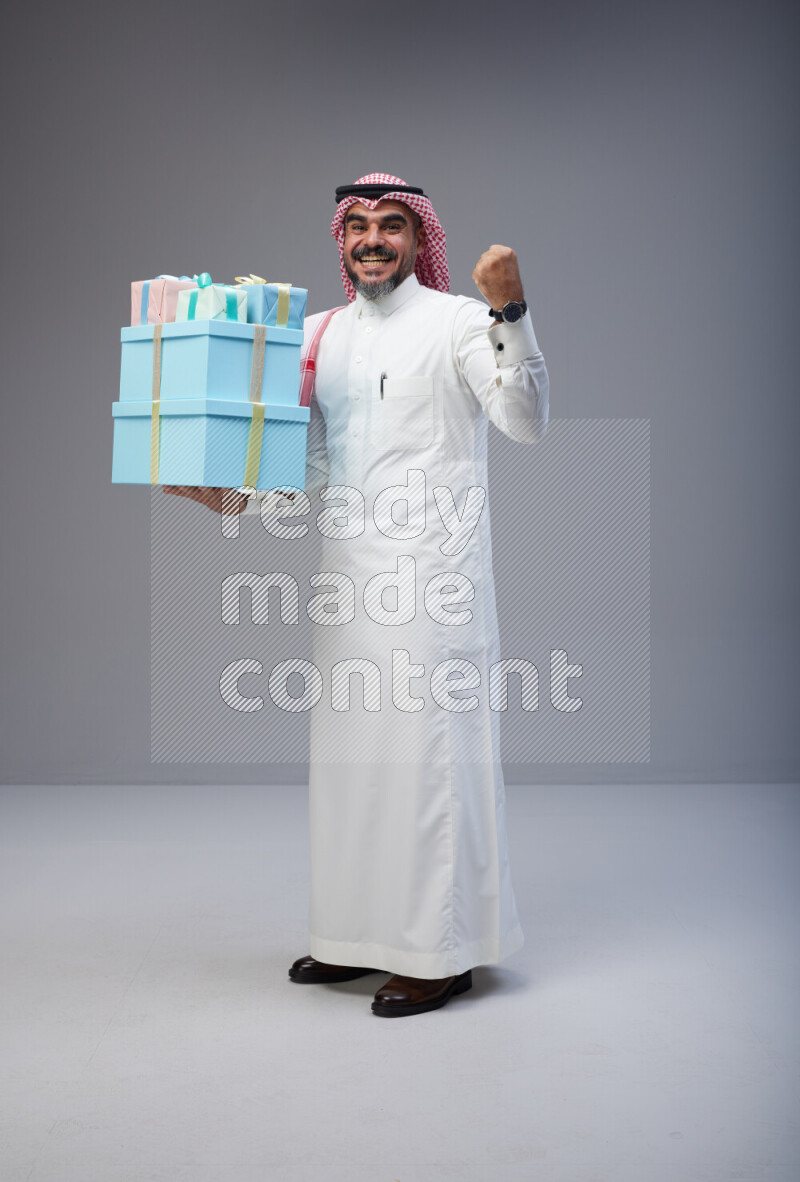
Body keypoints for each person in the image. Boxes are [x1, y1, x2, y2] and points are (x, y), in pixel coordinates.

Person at [165, 172, 549, 1018]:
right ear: (341, 242)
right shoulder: (319, 335)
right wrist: (228, 498)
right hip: (349, 582)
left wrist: (512, 312)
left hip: (435, 582)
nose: (372, 239)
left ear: (419, 241)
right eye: (358, 227)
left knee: (428, 769)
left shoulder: (458, 322)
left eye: (391, 226)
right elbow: (308, 466)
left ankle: (439, 954)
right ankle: (353, 940)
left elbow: (526, 422)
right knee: (353, 769)